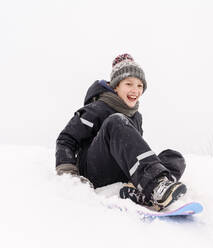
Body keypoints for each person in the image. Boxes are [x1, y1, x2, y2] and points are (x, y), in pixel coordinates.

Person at [55, 54, 187, 211]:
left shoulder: (136, 117)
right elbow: (66, 139)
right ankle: (156, 187)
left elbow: (131, 149)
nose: (135, 90)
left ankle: (143, 192)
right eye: (129, 84)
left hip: (122, 172)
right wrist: (69, 176)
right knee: (116, 121)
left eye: (139, 85)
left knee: (174, 157)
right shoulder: (96, 108)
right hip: (95, 171)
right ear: (115, 86)